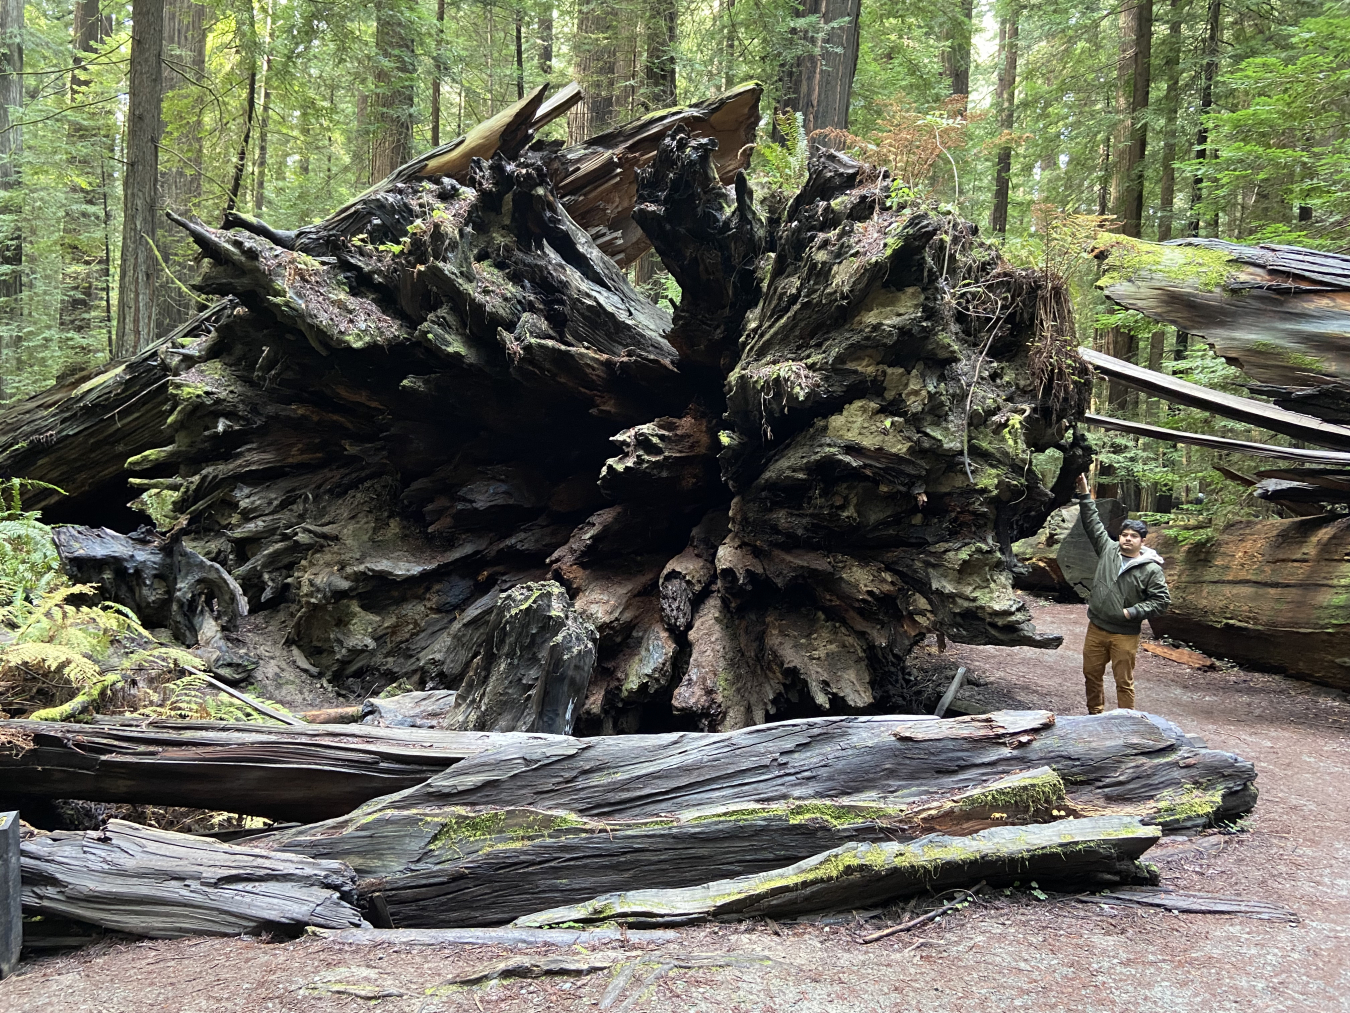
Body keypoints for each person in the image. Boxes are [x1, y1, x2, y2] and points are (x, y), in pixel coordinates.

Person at [1073, 474, 1171, 713]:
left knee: (1123, 681)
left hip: (1125, 634)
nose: (1127, 538)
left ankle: (1127, 720)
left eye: (1134, 536)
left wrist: (1132, 612)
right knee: (1091, 674)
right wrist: (1085, 493)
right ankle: (1095, 714)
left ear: (1143, 541)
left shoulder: (1151, 569)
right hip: (1096, 627)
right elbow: (1092, 523)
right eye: (1124, 534)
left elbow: (1161, 601)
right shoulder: (1108, 550)